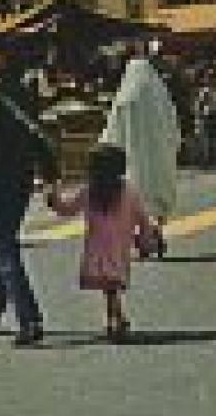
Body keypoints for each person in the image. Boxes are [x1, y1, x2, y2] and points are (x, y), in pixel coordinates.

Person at [0, 36, 59, 346]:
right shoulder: (22, 89)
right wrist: (48, 172)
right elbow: (36, 130)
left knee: (4, 246)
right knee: (6, 240)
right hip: (22, 175)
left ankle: (29, 318)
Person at [44, 143, 159, 343]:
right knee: (111, 286)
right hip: (119, 247)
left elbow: (66, 209)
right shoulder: (129, 192)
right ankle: (116, 318)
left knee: (109, 286)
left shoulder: (89, 192)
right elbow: (143, 219)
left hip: (96, 248)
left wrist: (53, 197)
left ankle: (115, 319)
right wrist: (146, 240)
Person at [101, 43, 183, 259]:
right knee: (155, 198)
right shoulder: (159, 92)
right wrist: (173, 145)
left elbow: (112, 131)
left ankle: (144, 235)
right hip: (159, 159)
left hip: (131, 160)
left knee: (133, 195)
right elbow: (172, 124)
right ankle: (153, 232)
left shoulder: (125, 97)